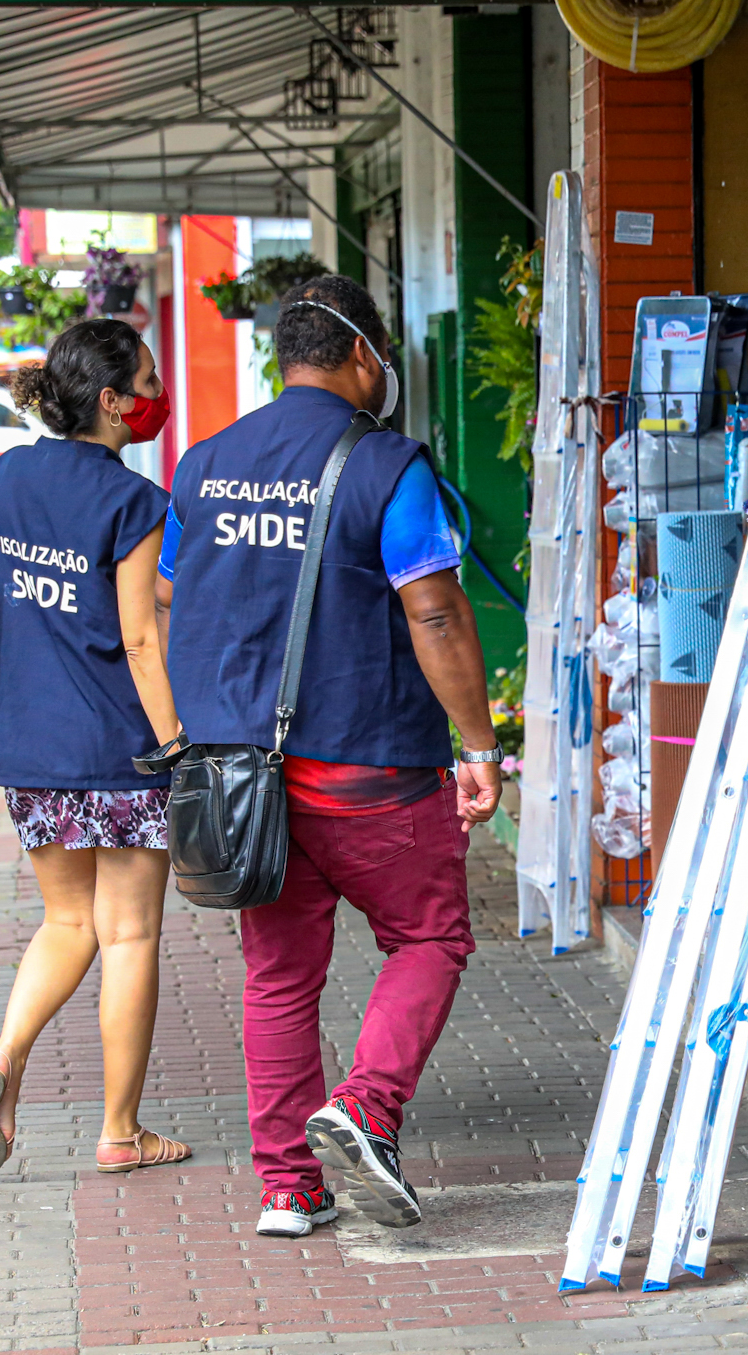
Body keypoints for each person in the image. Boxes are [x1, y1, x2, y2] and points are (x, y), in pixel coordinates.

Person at [157, 274, 502, 1239]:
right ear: (362, 356)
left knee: (278, 978)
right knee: (428, 940)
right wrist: (479, 744)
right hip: (371, 769)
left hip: (244, 782)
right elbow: (433, 609)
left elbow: (177, 595)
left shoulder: (206, 463)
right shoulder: (391, 469)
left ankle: (287, 1190)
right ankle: (367, 1105)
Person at [0, 317, 188, 1175]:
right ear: (116, 403)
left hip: (29, 746)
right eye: (151, 382)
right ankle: (121, 1133)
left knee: (64, 920)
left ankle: (4, 1059)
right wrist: (178, 748)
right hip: (119, 748)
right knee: (127, 935)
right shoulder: (133, 501)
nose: (160, 396)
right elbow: (140, 642)